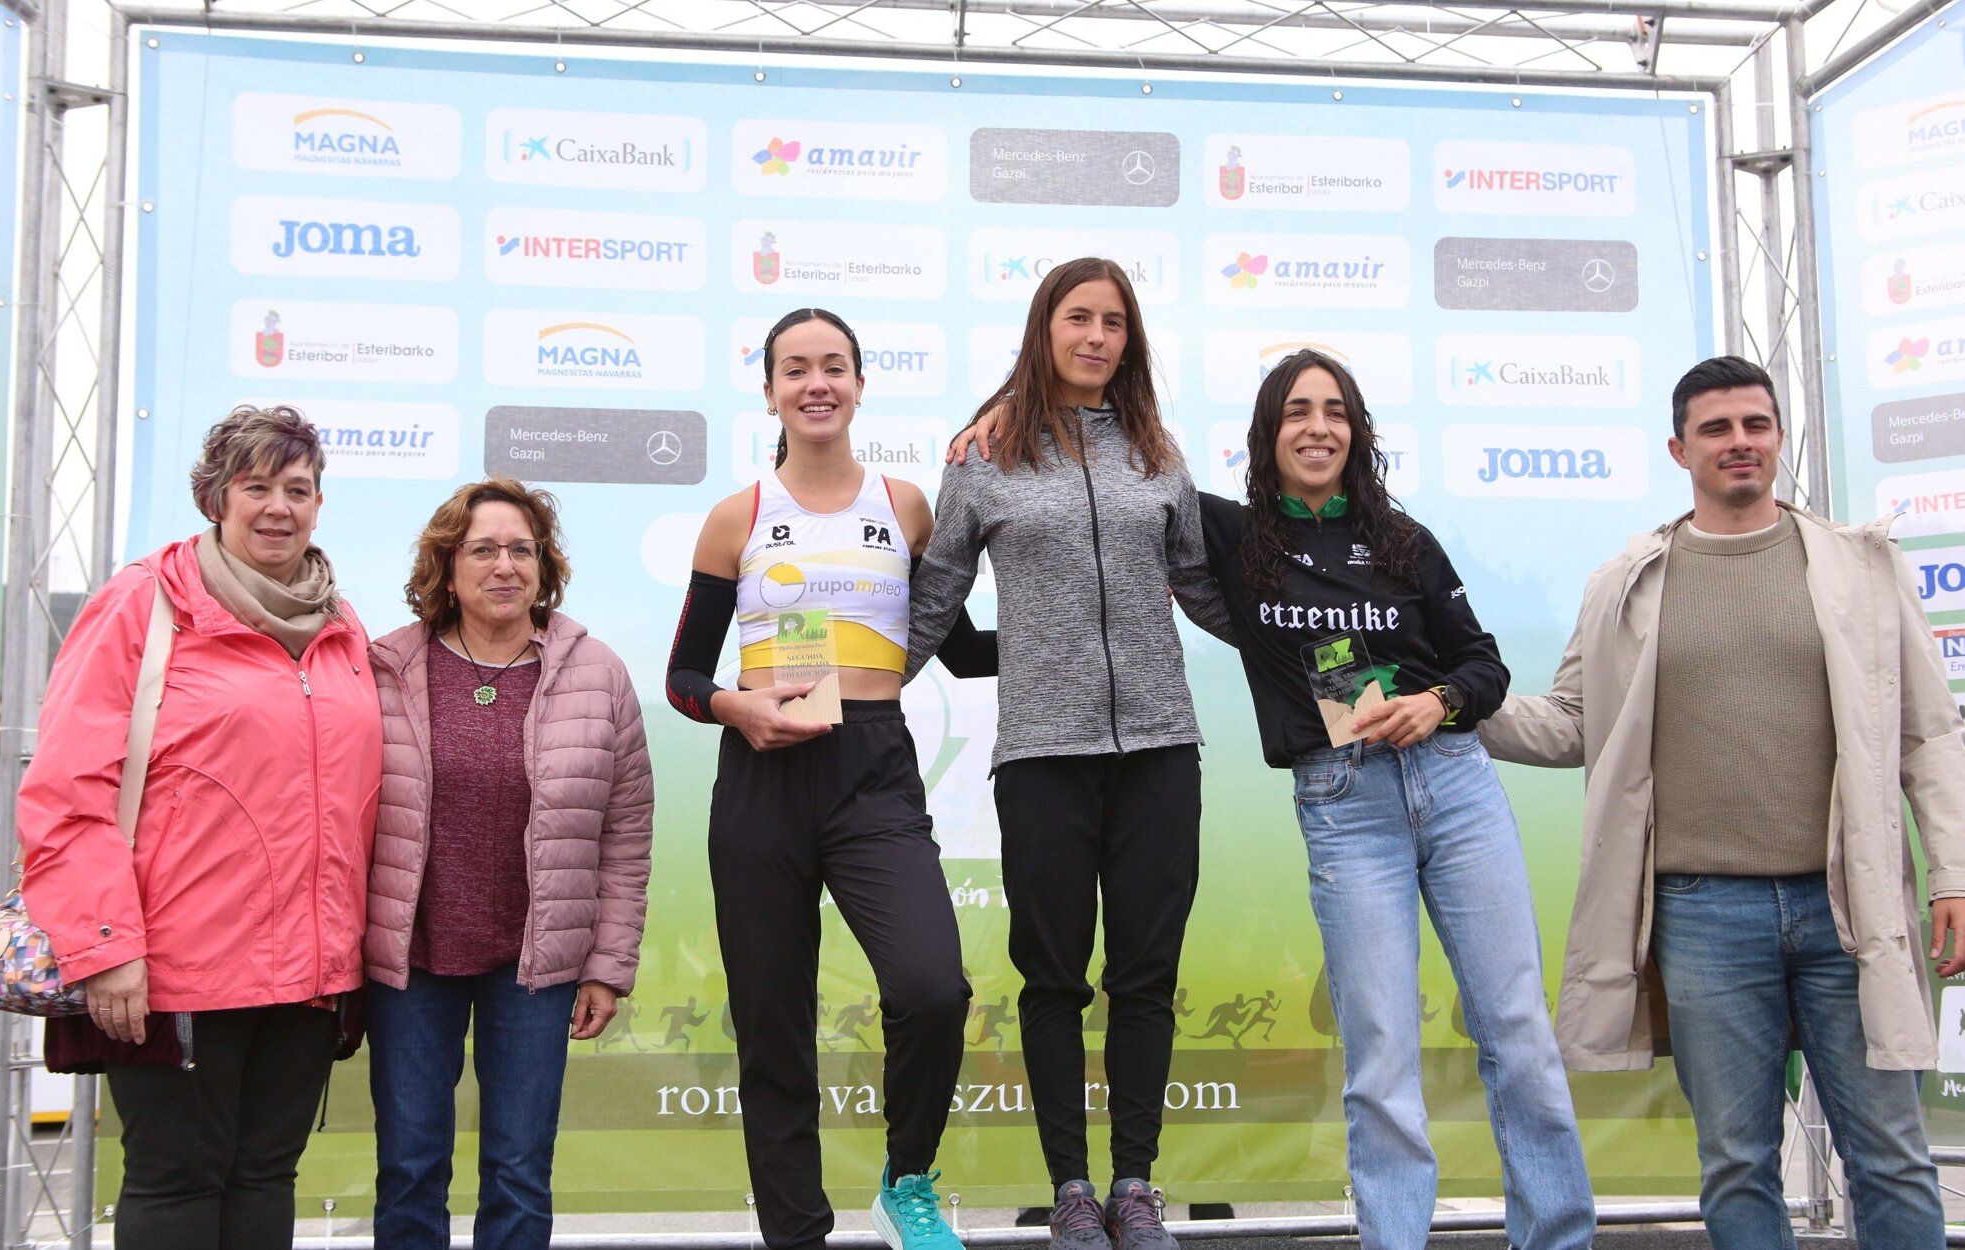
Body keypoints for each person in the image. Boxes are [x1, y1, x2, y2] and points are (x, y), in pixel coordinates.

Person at [949, 347, 1594, 1249]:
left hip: (1454, 789)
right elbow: (1114, 485)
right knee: (1379, 1055)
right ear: (1268, 433)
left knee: (1517, 1033)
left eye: (1334, 411)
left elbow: (1482, 662)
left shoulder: (1406, 540)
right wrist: (1003, 413)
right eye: (1297, 411)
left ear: (1356, 432)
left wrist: (1439, 700)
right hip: (1344, 803)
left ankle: (1558, 1236)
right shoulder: (1231, 533)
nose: (1317, 427)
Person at [1481, 355, 1965, 1249]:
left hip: (1846, 909)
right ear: (1678, 448)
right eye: (1715, 429)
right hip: (1702, 914)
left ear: (1777, 436)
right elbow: (1572, 724)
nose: (1738, 443)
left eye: (1754, 424)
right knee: (1736, 1163)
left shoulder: (1862, 566)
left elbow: (1929, 734)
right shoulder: (1627, 580)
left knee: (1889, 1154)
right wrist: (1452, 707)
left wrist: (1953, 876)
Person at [906, 257, 1233, 1250]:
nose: (1097, 335)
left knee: (1144, 971)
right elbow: (932, 598)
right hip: (1043, 750)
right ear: (1044, 326)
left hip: (1160, 746)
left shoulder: (1155, 450)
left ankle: (1136, 1184)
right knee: (1052, 977)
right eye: (1079, 317)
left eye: (1115, 322)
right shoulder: (984, 453)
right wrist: (848, 697)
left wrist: (1320, 657)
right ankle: (1072, 1191)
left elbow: (1206, 590)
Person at [665, 307, 997, 1250]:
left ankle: (907, 1179)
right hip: (762, 774)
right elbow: (685, 677)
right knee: (774, 1029)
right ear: (769, 390)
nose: (816, 384)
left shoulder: (905, 507)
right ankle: (795, 1234)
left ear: (858, 385)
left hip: (872, 769)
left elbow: (963, 651)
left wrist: (1088, 637)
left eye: (834, 367)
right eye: (795, 369)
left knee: (933, 989)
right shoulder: (737, 517)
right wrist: (738, 707)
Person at [18, 405, 382, 1250]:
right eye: (255, 486)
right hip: (170, 974)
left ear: (320, 504)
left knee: (264, 1177)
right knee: (177, 1186)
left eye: (297, 489)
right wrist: (106, 947)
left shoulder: (337, 621)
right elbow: (67, 790)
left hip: (308, 974)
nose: (277, 507)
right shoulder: (140, 605)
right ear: (215, 497)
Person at [361, 477, 652, 1249]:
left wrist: (606, 965)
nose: (504, 566)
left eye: (521, 549)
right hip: (411, 964)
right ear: (446, 566)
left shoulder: (598, 675)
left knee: (520, 1170)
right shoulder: (384, 669)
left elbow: (625, 834)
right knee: (410, 1165)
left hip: (536, 968)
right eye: (482, 549)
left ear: (544, 565)